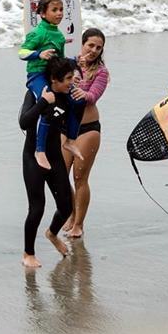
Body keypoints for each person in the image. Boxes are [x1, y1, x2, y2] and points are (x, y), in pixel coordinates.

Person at [19, 57, 84, 268]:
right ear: (54, 80)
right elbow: (24, 121)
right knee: (37, 207)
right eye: (67, 79)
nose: (70, 83)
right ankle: (28, 253)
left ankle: (52, 233)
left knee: (66, 206)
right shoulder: (36, 93)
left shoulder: (67, 97)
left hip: (54, 155)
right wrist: (43, 102)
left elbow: (73, 116)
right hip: (33, 156)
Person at [18, 0, 83, 170]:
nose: (60, 13)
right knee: (48, 101)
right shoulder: (38, 33)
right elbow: (22, 52)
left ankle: (70, 140)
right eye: (54, 10)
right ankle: (40, 150)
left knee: (78, 99)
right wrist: (38, 54)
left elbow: (60, 61)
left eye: (61, 9)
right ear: (43, 13)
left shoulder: (59, 36)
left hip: (51, 74)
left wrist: (74, 66)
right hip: (37, 76)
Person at [61, 28, 110, 238]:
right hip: (66, 129)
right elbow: (58, 86)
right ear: (82, 44)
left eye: (98, 48)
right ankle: (71, 213)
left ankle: (79, 223)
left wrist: (83, 89)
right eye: (90, 45)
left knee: (80, 177)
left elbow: (92, 95)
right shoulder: (70, 64)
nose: (94, 50)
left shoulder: (101, 72)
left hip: (88, 129)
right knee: (60, 176)